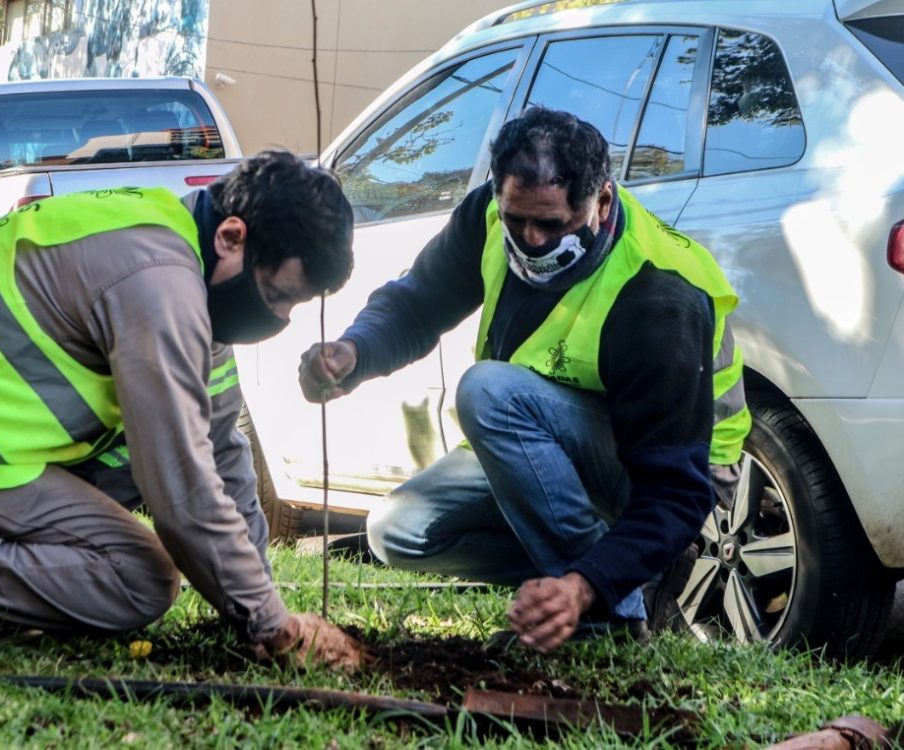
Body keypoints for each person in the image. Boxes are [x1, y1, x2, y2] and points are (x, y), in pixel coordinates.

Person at [0, 150, 367, 672]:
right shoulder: (159, 282)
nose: (281, 318)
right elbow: (183, 490)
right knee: (143, 578)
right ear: (232, 237)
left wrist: (258, 608)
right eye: (277, 295)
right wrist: (275, 627)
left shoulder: (184, 265)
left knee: (155, 471)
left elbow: (221, 453)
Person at [299, 108, 749, 653]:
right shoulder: (487, 217)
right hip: (551, 444)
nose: (532, 242)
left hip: (676, 476)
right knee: (399, 531)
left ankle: (604, 612)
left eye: (552, 225)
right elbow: (420, 300)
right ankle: (601, 570)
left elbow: (674, 492)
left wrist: (586, 586)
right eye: (517, 221)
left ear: (601, 202)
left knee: (487, 391)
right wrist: (354, 351)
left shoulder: (659, 295)